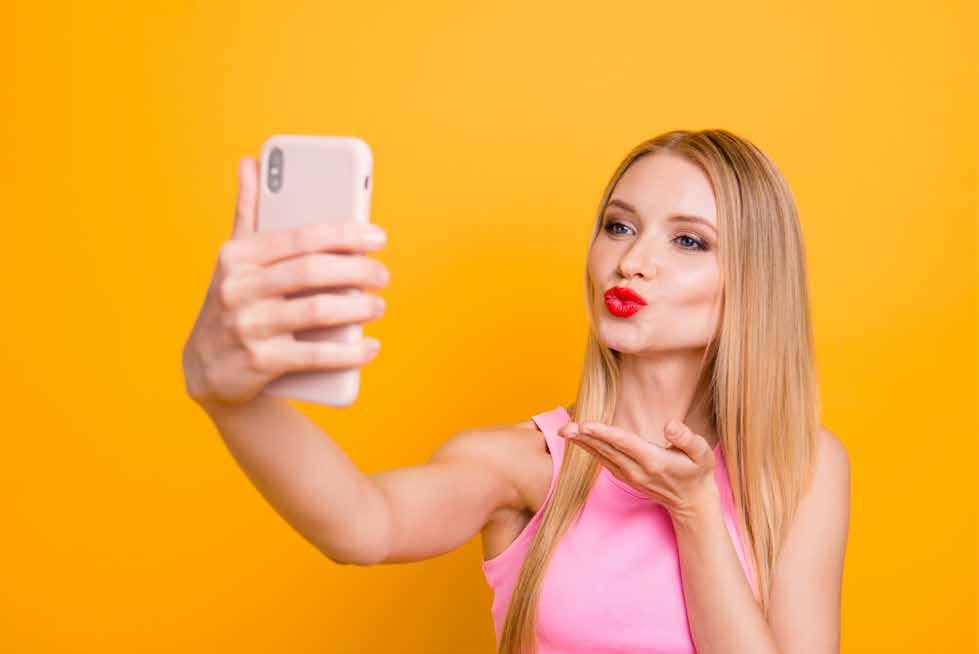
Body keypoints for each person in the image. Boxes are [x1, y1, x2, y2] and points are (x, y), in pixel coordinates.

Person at [182, 128, 850, 654]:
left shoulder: (801, 466)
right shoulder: (520, 465)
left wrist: (695, 511)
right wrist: (230, 399)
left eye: (687, 240)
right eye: (619, 226)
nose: (631, 261)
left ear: (754, 279)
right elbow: (362, 523)